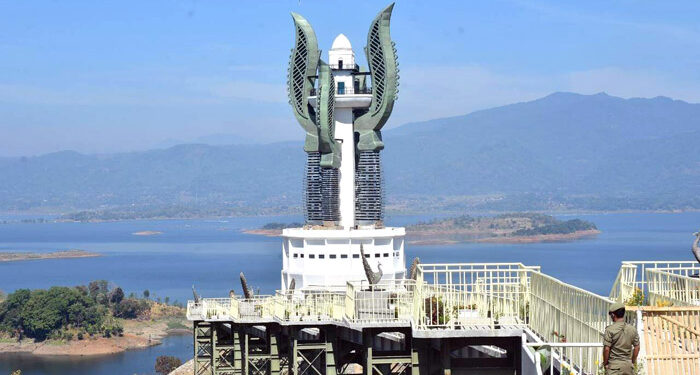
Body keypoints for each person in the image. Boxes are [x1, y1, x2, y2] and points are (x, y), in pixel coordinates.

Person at [603, 302, 640, 374]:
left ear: (613, 315)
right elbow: (637, 347)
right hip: (628, 367)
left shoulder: (610, 330)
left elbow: (606, 349)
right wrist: (632, 362)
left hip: (614, 367)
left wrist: (605, 364)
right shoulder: (632, 329)